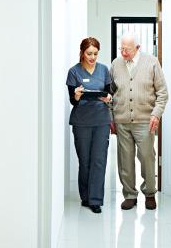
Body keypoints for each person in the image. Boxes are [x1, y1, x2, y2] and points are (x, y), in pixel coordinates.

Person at [109, 33, 168, 210]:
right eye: (121, 48)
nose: (123, 52)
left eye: (127, 49)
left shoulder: (151, 62)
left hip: (145, 120)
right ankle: (129, 195)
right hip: (122, 120)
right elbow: (110, 92)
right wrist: (111, 116)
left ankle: (149, 193)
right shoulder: (115, 64)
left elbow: (163, 93)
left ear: (137, 48)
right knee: (124, 160)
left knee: (147, 158)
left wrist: (156, 114)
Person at [66, 37, 113, 214]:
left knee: (99, 161)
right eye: (89, 54)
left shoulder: (104, 70)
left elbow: (109, 94)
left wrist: (108, 98)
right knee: (85, 161)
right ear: (82, 53)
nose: (92, 57)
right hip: (82, 122)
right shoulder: (74, 72)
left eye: (95, 54)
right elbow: (72, 100)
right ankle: (85, 197)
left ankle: (95, 200)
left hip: (101, 120)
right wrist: (77, 96)